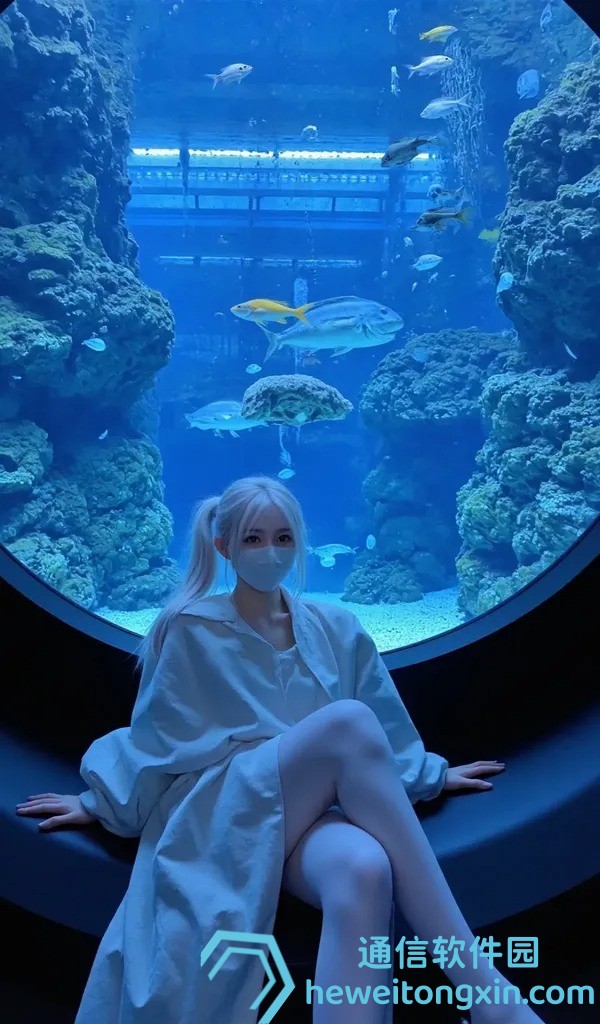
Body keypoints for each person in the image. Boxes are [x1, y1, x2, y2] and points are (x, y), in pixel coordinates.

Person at [16, 475, 547, 1024]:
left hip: (309, 812)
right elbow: (156, 739)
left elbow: (385, 728)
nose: (270, 552)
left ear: (299, 542)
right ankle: (486, 993)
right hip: (220, 809)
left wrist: (426, 774)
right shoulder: (189, 628)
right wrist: (99, 802)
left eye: (283, 537)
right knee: (346, 723)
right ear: (224, 546)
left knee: (364, 868)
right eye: (253, 538)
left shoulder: (338, 626)